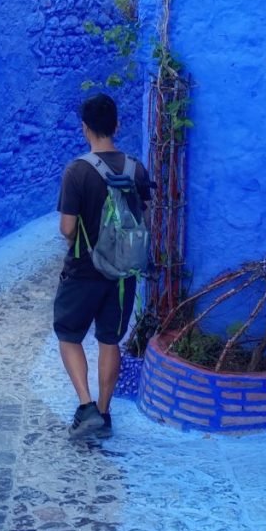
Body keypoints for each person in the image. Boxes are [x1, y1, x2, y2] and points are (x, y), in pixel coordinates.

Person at [54, 93, 151, 439]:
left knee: (68, 334)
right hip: (123, 275)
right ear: (117, 125)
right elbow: (144, 217)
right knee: (110, 340)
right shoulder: (135, 168)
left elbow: (67, 228)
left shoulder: (77, 171)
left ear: (85, 128)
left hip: (83, 270)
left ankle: (86, 406)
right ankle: (106, 413)